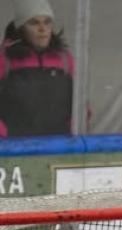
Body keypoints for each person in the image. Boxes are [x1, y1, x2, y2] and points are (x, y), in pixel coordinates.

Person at [0, 0, 73, 138]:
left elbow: (79, 102)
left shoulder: (64, 59)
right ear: (21, 28)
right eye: (34, 23)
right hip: (15, 146)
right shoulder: (5, 59)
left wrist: (72, 130)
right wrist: (4, 136)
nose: (42, 29)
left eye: (47, 22)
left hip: (59, 145)